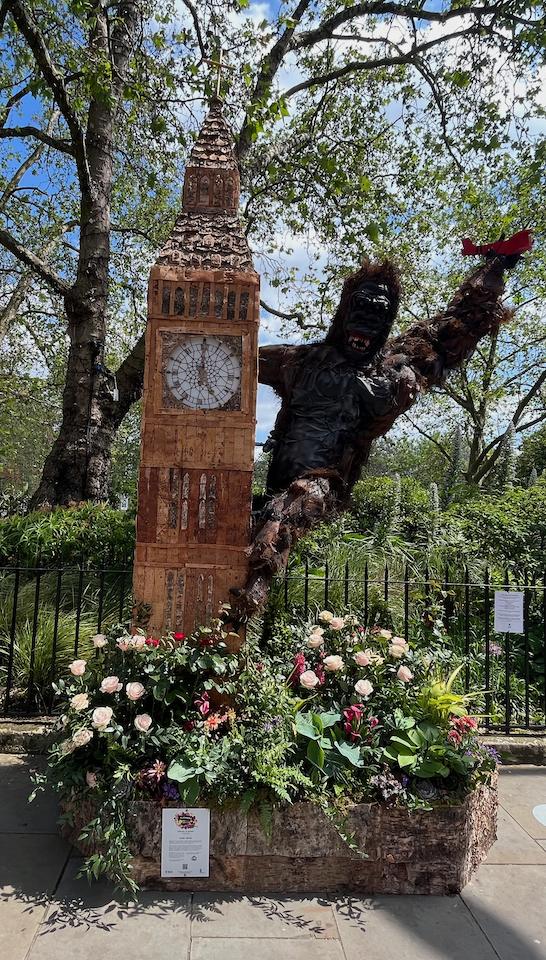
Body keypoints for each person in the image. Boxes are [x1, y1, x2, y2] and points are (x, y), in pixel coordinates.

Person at [229, 241, 527, 620]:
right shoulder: (302, 360)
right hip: (277, 477)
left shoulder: (392, 367)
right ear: (344, 310)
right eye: (361, 307)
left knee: (291, 507)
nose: (367, 323)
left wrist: (495, 268)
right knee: (254, 514)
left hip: (325, 481)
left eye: (379, 312)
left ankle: (249, 599)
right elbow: (234, 355)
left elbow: (457, 326)